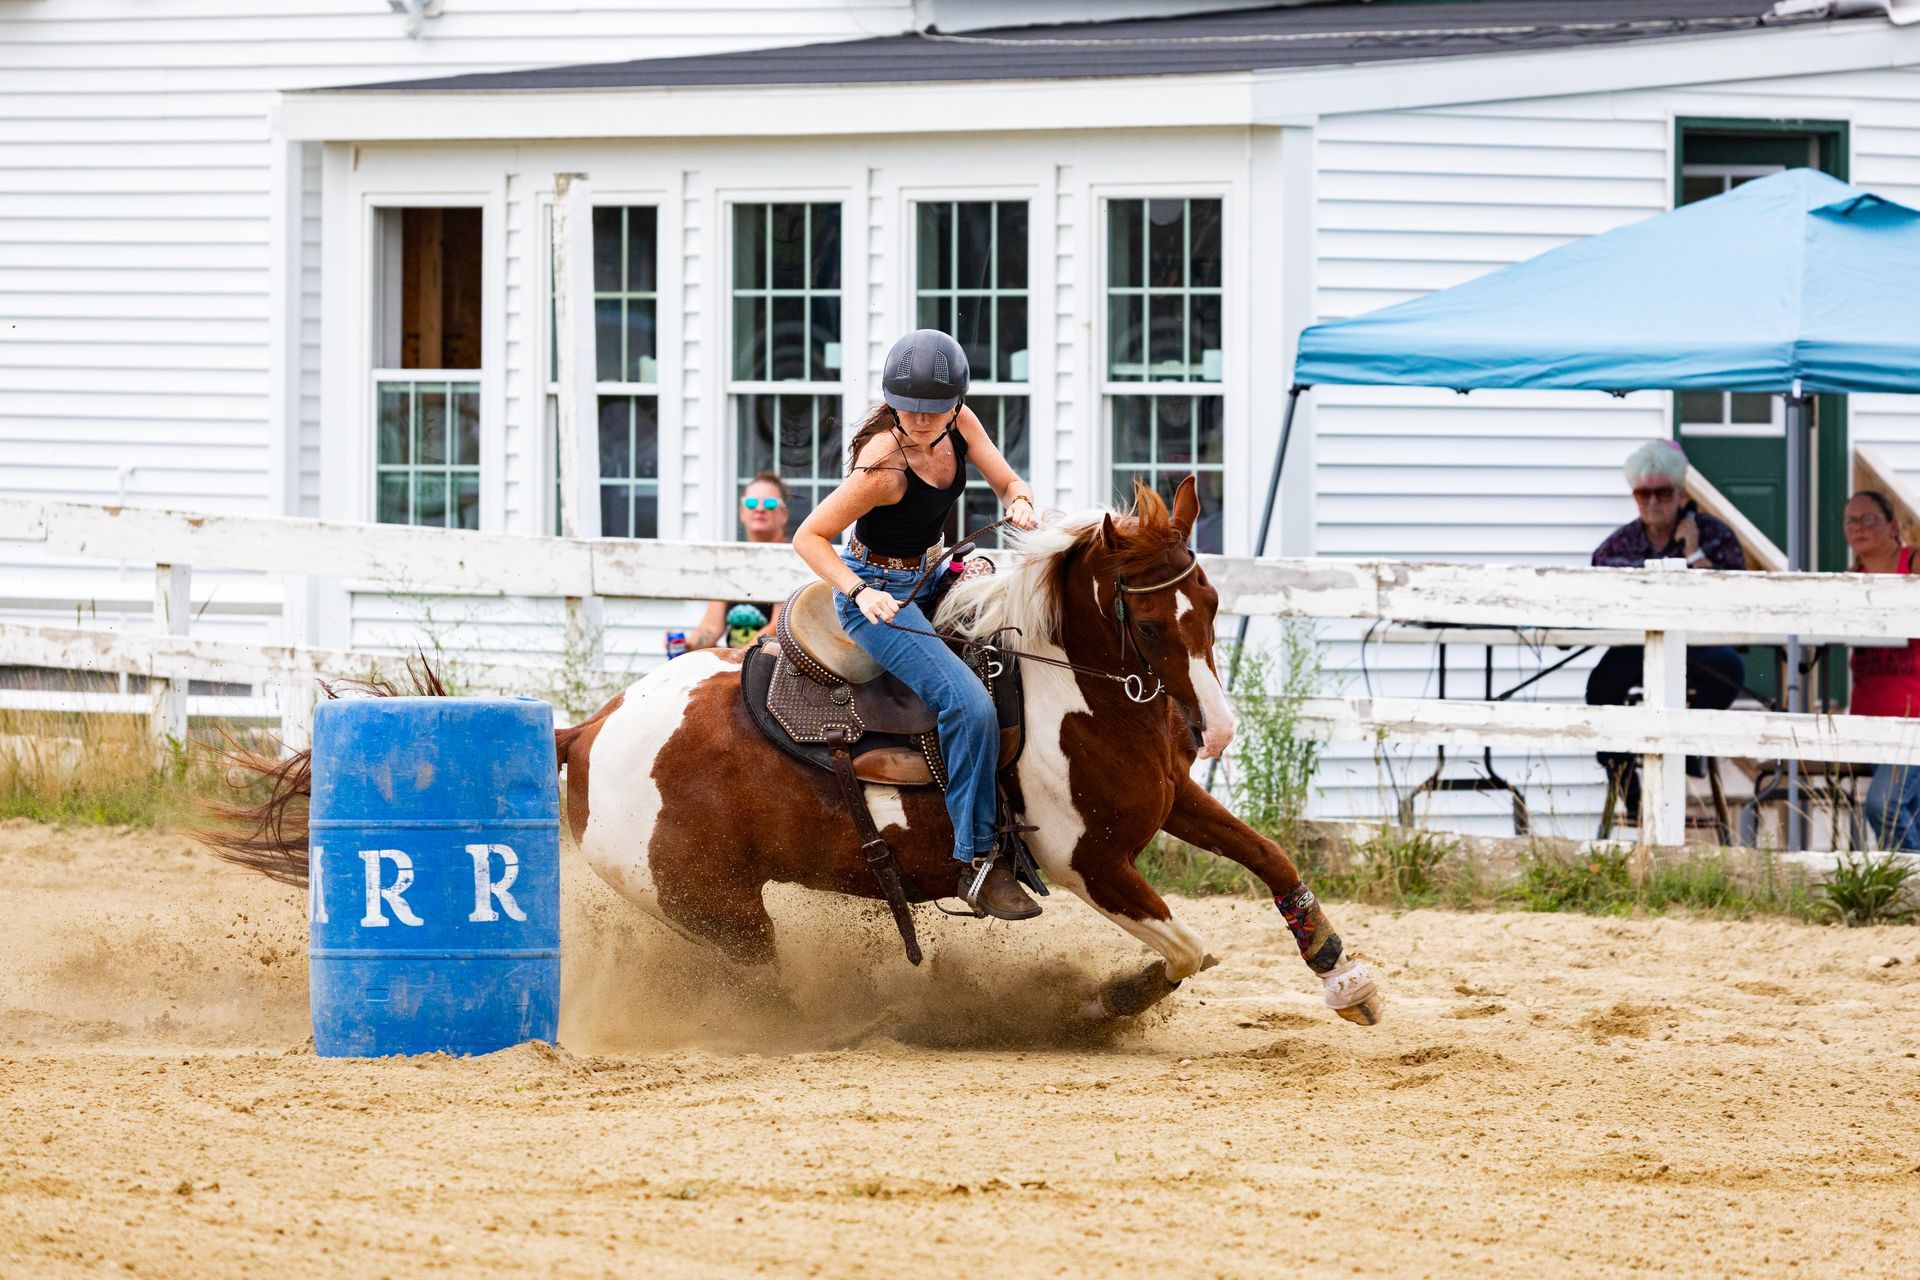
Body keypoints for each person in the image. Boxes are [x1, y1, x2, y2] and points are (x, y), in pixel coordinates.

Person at [792, 329, 1042, 920]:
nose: (921, 420)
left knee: (1017, 624)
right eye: (907, 409)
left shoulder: (962, 423)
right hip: (875, 595)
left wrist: (1020, 502)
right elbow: (809, 535)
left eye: (933, 409)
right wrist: (859, 590)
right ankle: (976, 860)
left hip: (933, 566)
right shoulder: (881, 466)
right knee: (969, 706)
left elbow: (1007, 480)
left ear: (955, 403)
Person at [1586, 440, 1747, 819]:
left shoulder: (1715, 536)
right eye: (1644, 494)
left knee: (1731, 670)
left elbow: (1737, 598)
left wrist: (1692, 554)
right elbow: (1595, 595)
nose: (1654, 502)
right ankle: (1631, 792)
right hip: (1635, 647)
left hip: (1701, 646)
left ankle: (1689, 750)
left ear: (1680, 496)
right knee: (1600, 688)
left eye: (1663, 493)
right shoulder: (1617, 545)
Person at [1842, 489, 1920, 850]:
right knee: (1910, 811)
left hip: (1913, 722)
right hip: (1869, 726)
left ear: (1892, 525)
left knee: (1884, 804)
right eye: (1850, 521)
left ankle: (1907, 893)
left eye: (1868, 518)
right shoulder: (1848, 580)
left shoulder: (1914, 563)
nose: (1859, 527)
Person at [688, 472, 789, 651]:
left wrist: (737, 659)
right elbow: (712, 626)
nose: (759, 509)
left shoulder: (790, 560)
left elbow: (777, 627)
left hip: (771, 665)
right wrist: (686, 645)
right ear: (742, 513)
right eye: (751, 503)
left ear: (784, 515)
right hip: (735, 664)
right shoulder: (731, 562)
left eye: (769, 503)